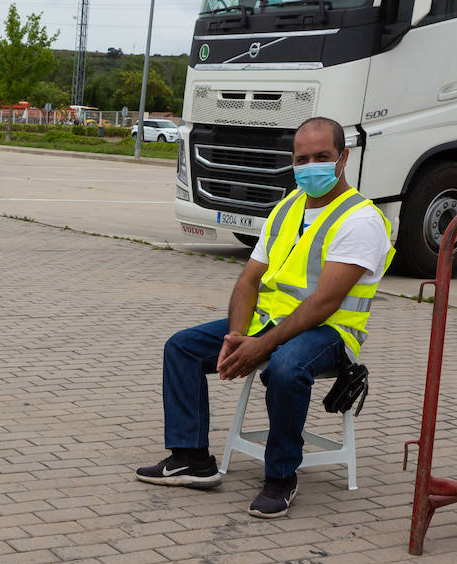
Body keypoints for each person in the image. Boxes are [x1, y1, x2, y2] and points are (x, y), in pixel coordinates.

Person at [135, 117, 394, 518]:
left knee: (287, 367)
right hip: (271, 322)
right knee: (182, 347)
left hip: (331, 332)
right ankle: (191, 459)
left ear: (343, 158)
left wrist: (261, 347)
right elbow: (249, 279)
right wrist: (237, 336)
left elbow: (324, 303)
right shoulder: (287, 207)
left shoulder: (361, 220)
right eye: (302, 159)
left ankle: (281, 476)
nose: (311, 167)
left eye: (322, 157)